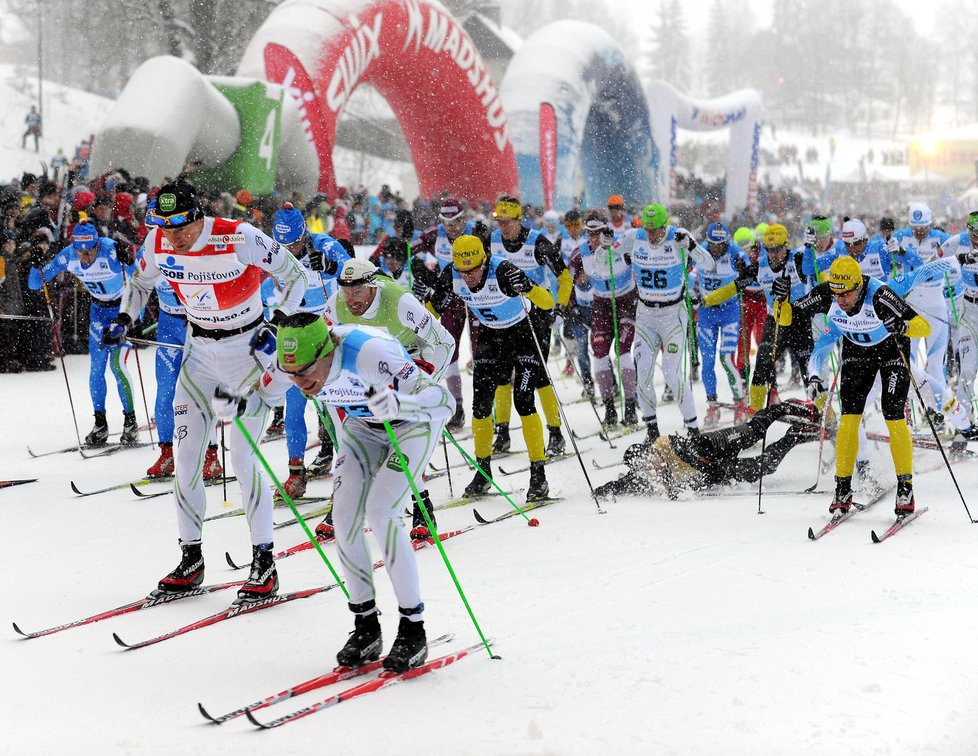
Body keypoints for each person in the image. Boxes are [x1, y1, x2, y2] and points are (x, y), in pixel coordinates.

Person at [106, 181, 307, 602]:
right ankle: (191, 557)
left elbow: (295, 275)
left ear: (198, 215)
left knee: (244, 455)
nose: (173, 236)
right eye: (164, 227)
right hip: (198, 358)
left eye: (180, 226)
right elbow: (140, 283)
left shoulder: (238, 235)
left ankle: (264, 562)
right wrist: (125, 319)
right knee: (186, 459)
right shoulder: (158, 242)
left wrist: (280, 321)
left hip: (247, 356)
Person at [273, 312, 455, 673]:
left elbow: (444, 403)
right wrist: (237, 404)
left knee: (381, 511)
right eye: (292, 376)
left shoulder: (370, 353)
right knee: (342, 517)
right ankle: (366, 626)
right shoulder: (296, 360)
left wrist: (403, 404)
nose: (300, 383)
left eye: (306, 374)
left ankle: (413, 628)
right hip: (362, 426)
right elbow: (262, 391)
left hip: (411, 425)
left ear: (327, 352)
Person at [778, 255, 931, 518]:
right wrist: (780, 301)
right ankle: (843, 489)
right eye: (836, 294)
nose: (841, 300)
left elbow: (923, 327)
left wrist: (904, 326)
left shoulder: (880, 294)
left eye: (847, 294)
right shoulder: (828, 293)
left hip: (891, 352)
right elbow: (787, 319)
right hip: (857, 353)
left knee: (893, 416)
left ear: (859, 286)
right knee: (849, 418)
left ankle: (905, 487)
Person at [318, 256, 455, 539]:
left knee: (400, 435)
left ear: (372, 287)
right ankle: (342, 497)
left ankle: (422, 505)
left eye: (357, 291)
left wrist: (428, 387)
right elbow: (322, 341)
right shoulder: (337, 303)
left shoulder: (399, 301)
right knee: (344, 427)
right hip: (366, 365)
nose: (351, 299)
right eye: (346, 290)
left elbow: (445, 342)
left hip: (410, 359)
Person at [428, 234, 557, 501]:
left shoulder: (503, 270)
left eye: (473, 270)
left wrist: (528, 288)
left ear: (484, 261)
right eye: (463, 271)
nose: (468, 277)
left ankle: (538, 474)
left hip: (525, 334)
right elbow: (429, 312)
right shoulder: (452, 273)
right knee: (480, 406)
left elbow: (547, 302)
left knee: (523, 400)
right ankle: (482, 471)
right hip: (491, 336)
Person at [28, 219, 138, 446]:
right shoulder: (69, 254)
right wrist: (36, 263)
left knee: (117, 367)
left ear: (98, 244)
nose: (86, 258)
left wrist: (128, 257)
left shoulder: (109, 249)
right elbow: (34, 283)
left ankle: (130, 421)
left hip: (122, 310)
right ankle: (100, 423)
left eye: (90, 252)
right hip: (98, 313)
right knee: (96, 370)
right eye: (81, 253)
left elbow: (139, 276)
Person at [269, 202, 350, 497]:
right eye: (284, 244)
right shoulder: (275, 252)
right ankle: (296, 474)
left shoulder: (324, 244)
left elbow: (355, 272)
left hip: (328, 329)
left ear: (304, 234)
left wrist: (331, 267)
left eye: (295, 243)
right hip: (297, 330)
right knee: (294, 404)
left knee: (336, 403)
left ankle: (351, 468)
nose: (290, 250)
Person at [595, 399, 820, 499]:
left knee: (755, 431)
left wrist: (686, 485)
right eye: (645, 466)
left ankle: (784, 407)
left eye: (649, 459)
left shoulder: (665, 446)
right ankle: (796, 435)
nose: (651, 466)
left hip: (714, 445)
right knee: (766, 466)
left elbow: (694, 459)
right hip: (718, 468)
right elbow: (625, 483)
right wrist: (604, 490)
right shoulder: (647, 475)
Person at [488, 195, 572, 455]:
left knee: (537, 376)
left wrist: (560, 306)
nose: (502, 227)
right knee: (501, 375)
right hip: (506, 315)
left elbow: (565, 277)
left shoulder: (537, 242)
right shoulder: (492, 240)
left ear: (518, 219)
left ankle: (556, 433)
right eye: (498, 222)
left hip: (537, 314)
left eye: (507, 222)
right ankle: (502, 433)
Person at [616, 203, 699, 443]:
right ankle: (652, 432)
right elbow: (605, 261)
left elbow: (707, 264)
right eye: (648, 231)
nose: (653, 236)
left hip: (673, 315)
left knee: (672, 375)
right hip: (646, 316)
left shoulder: (678, 236)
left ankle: (693, 430)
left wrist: (692, 246)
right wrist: (605, 246)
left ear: (665, 226)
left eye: (657, 231)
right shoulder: (635, 237)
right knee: (643, 374)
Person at [568, 211, 639, 429]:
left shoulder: (621, 247)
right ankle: (609, 408)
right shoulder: (579, 255)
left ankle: (630, 406)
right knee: (599, 354)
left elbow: (641, 267)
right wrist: (572, 307)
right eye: (590, 233)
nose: (594, 238)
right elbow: (569, 282)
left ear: (605, 231)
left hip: (626, 302)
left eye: (598, 233)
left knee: (624, 354)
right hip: (601, 305)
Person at [411, 198, 476, 431]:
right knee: (449, 351)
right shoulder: (432, 234)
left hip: (478, 296)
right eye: (446, 223)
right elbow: (410, 252)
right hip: (450, 298)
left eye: (456, 222)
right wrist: (424, 278)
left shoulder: (477, 231)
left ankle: (486, 408)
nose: (451, 228)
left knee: (482, 351)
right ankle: (457, 408)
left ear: (463, 219)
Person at [688, 222, 749, 427]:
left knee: (726, 359)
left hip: (730, 311)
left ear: (726, 242)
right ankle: (712, 405)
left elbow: (750, 274)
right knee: (707, 361)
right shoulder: (701, 252)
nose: (716, 248)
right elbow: (690, 275)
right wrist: (691, 291)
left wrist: (744, 270)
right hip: (707, 313)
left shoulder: (735, 252)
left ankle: (740, 404)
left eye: (720, 244)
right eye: (713, 244)